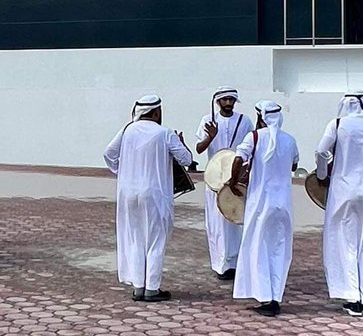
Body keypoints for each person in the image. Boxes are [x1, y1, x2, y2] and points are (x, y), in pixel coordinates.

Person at [103, 95, 193, 302]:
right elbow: (186, 160)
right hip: (154, 194)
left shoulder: (127, 130)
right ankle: (152, 288)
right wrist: (181, 144)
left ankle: (138, 288)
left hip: (128, 193)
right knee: (155, 240)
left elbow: (109, 154)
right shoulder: (165, 133)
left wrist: (124, 173)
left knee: (135, 239)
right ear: (156, 113)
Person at [315, 92, 363, 315]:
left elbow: (322, 151)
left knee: (344, 243)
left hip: (343, 193)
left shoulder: (338, 124)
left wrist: (322, 175)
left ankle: (351, 297)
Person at [229, 101, 299, 316]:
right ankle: (275, 298)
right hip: (283, 205)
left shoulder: (254, 137)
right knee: (279, 249)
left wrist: (232, 182)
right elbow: (295, 165)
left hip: (260, 204)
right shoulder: (289, 140)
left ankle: (266, 298)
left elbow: (239, 158)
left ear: (261, 117)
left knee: (258, 248)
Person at [194, 88, 254, 280]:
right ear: (218, 102)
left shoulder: (244, 121)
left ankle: (236, 264)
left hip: (237, 177)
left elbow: (251, 148)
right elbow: (199, 149)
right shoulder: (207, 121)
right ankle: (221, 264)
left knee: (237, 220)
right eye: (225, 99)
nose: (228, 102)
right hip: (214, 178)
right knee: (216, 223)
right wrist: (210, 137)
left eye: (231, 99)